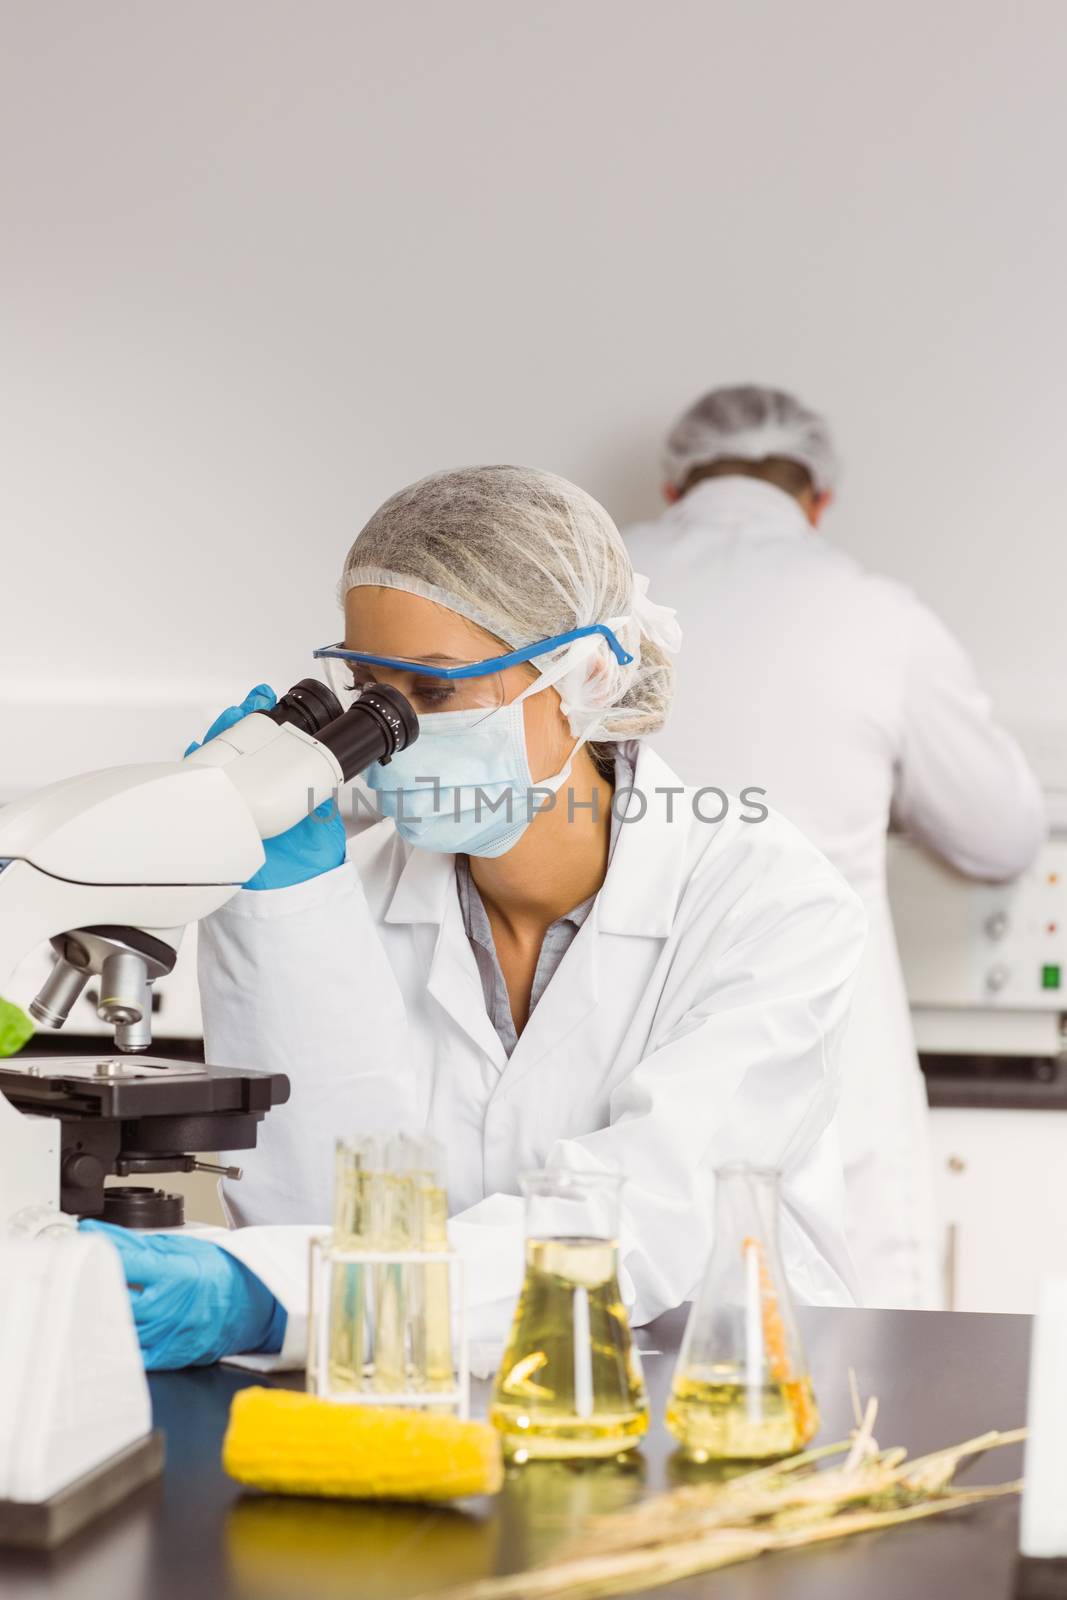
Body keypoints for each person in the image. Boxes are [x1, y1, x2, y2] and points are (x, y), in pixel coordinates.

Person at [85, 464, 867, 1370]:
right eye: (369, 690)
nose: (392, 731)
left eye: (434, 689)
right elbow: (321, 1212)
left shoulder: (768, 901)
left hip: (710, 1401)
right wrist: (284, 917)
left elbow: (645, 1219)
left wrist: (267, 1300)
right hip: (423, 1400)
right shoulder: (345, 891)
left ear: (584, 674)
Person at [624, 388, 1045, 1310]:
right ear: (817, 498)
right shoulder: (876, 616)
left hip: (611, 1014)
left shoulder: (598, 591)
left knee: (612, 1332)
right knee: (851, 1356)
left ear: (672, 484)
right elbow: (1002, 833)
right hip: (825, 1039)